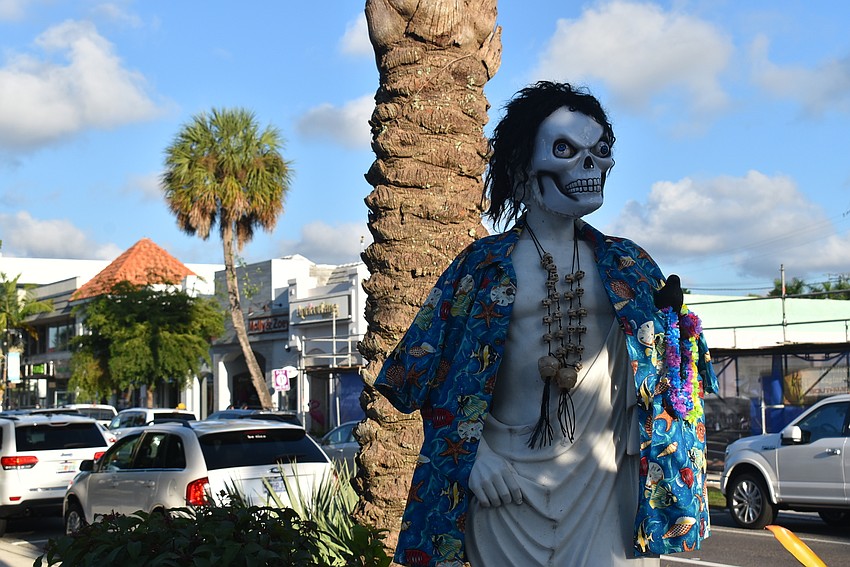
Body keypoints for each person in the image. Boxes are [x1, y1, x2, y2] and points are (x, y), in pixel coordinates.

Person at [375, 81, 718, 566]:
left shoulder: (631, 267)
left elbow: (681, 371)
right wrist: (478, 455)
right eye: (565, 149)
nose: (590, 164)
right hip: (506, 486)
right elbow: (421, 374)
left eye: (600, 150)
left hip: (606, 477)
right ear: (520, 168)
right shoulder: (481, 267)